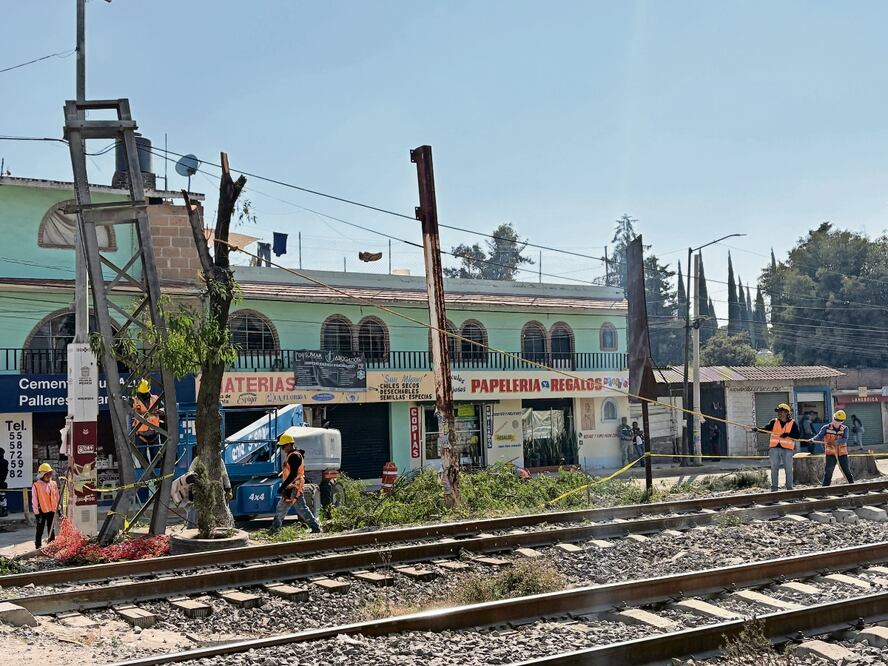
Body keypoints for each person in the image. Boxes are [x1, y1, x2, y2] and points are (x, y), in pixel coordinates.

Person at [270, 433, 321, 533]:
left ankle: (275, 530)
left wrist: (283, 487)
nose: (282, 449)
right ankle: (316, 528)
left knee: (289, 508)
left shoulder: (294, 456)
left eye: (283, 446)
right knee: (293, 508)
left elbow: (293, 474)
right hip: (292, 487)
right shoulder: (292, 455)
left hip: (293, 487)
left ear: (289, 444)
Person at [756, 402, 800, 492]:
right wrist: (758, 429)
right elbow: (766, 429)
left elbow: (797, 435)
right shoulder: (774, 422)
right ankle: (774, 489)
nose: (779, 413)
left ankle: (789, 488)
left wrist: (787, 434)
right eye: (778, 411)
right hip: (774, 448)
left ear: (787, 412)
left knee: (788, 469)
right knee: (774, 468)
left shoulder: (792, 423)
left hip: (787, 449)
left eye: (781, 411)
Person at [813, 410, 854, 487]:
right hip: (830, 454)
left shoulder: (845, 429)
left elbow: (845, 439)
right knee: (828, 472)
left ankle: (853, 486)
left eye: (839, 421)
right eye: (836, 419)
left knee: (846, 471)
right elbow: (819, 436)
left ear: (842, 421)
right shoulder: (826, 428)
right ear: (833, 418)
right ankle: (825, 488)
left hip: (842, 454)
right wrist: (812, 440)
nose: (837, 422)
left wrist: (835, 442)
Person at [132, 378, 163, 463]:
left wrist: (161, 411)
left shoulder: (155, 399)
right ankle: (147, 473)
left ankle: (156, 473)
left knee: (157, 458)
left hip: (154, 434)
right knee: (142, 458)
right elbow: (129, 411)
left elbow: (163, 408)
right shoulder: (134, 401)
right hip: (140, 435)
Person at [31, 462, 59, 550]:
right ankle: (38, 546)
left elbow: (57, 496)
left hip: (52, 510)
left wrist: (59, 509)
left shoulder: (53, 484)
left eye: (50, 473)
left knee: (51, 529)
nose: (49, 476)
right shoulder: (36, 485)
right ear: (42, 474)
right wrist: (36, 513)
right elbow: (34, 500)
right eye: (47, 474)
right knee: (40, 530)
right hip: (41, 511)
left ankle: (52, 546)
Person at [0, 448, 7, 517]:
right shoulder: (5, 462)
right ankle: (4, 510)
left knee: (2, 497)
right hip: (2, 482)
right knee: (2, 497)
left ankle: (3, 510)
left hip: (1, 482)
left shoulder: (4, 462)